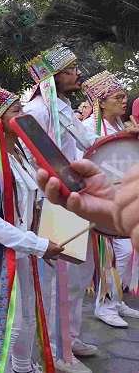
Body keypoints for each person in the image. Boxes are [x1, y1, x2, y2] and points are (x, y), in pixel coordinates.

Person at [0, 88, 63, 373]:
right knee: (10, 321)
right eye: (16, 111)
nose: (24, 115)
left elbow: (29, 205)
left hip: (20, 246)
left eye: (22, 108)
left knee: (27, 314)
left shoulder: (18, 155)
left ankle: (22, 366)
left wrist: (39, 243)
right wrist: (38, 245)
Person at [23, 45, 98, 373]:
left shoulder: (63, 107)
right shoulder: (37, 111)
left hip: (74, 199)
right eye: (69, 70)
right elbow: (31, 160)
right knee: (58, 279)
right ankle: (56, 351)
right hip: (54, 201)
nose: (76, 74)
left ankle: (70, 336)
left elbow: (84, 143)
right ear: (52, 78)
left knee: (79, 273)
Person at [79, 71, 139, 328]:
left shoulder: (120, 128)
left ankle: (115, 299)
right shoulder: (86, 127)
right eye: (118, 97)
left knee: (125, 251)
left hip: (120, 199)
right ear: (101, 102)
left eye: (125, 96)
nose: (124, 101)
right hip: (100, 201)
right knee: (111, 254)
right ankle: (104, 304)